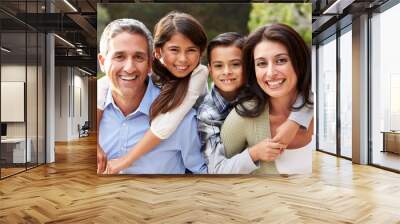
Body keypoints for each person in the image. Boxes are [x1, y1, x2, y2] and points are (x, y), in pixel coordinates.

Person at [97, 12, 209, 174]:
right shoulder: (102, 93)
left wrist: (125, 161)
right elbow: (105, 83)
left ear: (149, 63)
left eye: (138, 57)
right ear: (157, 54)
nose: (183, 59)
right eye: (119, 56)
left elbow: (166, 124)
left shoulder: (195, 82)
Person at [220, 24, 314, 175]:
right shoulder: (244, 116)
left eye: (281, 60)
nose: (270, 73)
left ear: (300, 62)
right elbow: (215, 169)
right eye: (261, 63)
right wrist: (253, 154)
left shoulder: (321, 104)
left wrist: (295, 121)